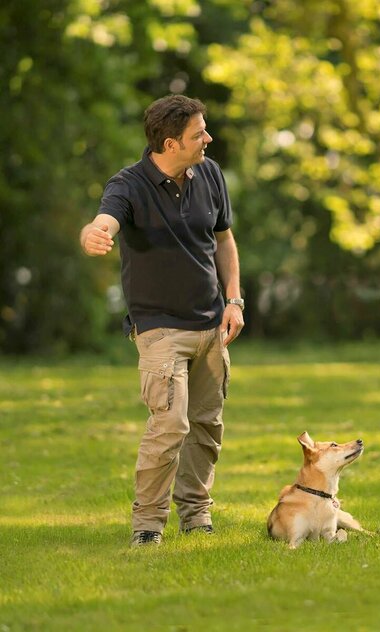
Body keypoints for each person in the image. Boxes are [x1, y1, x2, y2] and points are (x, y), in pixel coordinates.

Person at [80, 95, 244, 546]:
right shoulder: (128, 185)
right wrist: (94, 234)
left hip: (211, 326)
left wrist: (235, 300)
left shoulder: (209, 173)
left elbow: (224, 240)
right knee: (170, 425)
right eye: (198, 134)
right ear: (171, 143)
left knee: (207, 425)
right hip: (159, 330)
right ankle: (148, 526)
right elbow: (104, 221)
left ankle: (197, 515)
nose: (208, 138)